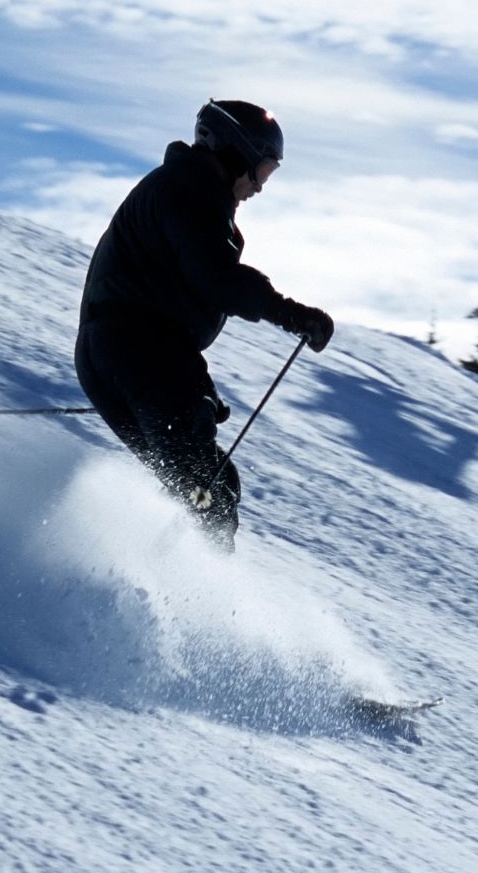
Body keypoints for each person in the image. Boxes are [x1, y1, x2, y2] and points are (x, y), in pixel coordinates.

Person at [75, 99, 334, 551]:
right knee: (205, 491)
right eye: (263, 170)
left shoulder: (183, 189)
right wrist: (292, 313)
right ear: (238, 151)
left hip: (117, 356)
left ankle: (146, 572)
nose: (259, 187)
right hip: (140, 350)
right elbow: (218, 279)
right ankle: (179, 589)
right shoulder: (190, 190)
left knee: (209, 482)